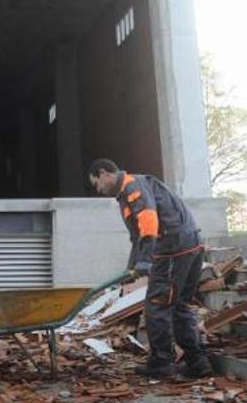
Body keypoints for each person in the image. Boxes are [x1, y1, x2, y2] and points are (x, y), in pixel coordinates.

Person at [88, 159, 213, 378]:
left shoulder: (132, 187)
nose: (98, 190)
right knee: (179, 306)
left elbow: (148, 223)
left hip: (173, 249)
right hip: (189, 245)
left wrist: (145, 261)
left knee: (157, 306)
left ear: (104, 173)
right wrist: (132, 268)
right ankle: (197, 362)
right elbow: (138, 237)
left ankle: (162, 363)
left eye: (96, 183)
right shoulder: (135, 186)